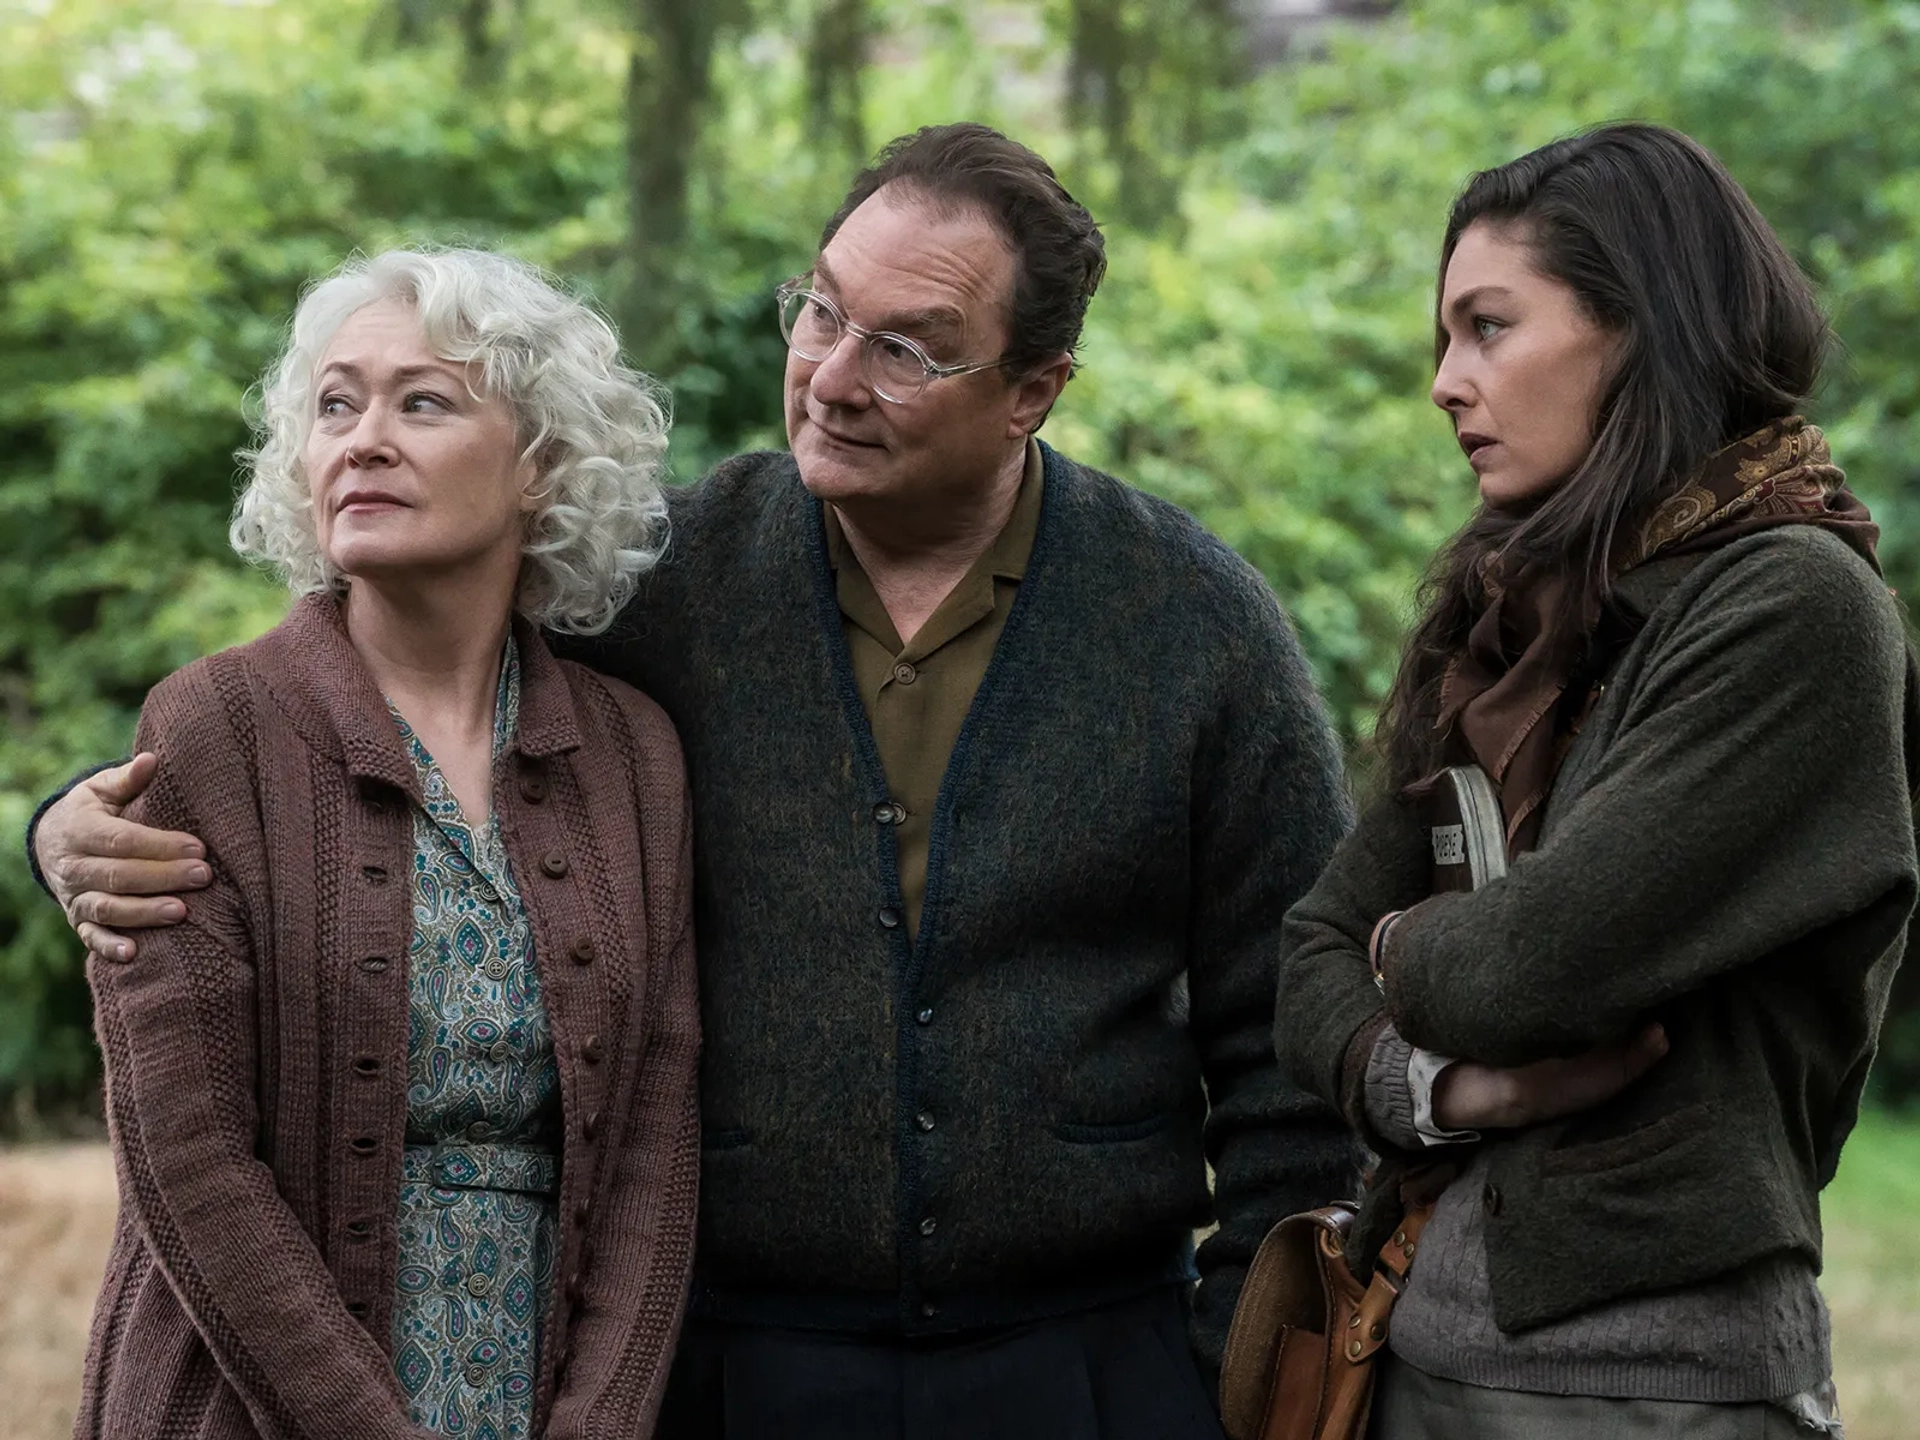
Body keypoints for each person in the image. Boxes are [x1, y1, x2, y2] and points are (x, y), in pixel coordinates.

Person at [33, 124, 1356, 1438]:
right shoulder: (672, 589)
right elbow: (378, 688)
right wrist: (70, 822)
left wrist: (1226, 1373)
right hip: (738, 1375)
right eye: (820, 311)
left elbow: (1291, 1042)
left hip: (1088, 1369)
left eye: (905, 346)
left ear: (1033, 388)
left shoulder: (1195, 625)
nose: (831, 376)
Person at [1274, 123, 1917, 1439]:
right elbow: (1305, 957)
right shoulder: (1506, 612)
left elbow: (1528, 968)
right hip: (1414, 1348)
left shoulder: (1792, 606)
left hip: (1656, 1387)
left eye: (1489, 328)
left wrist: (1398, 947)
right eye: (1440, 341)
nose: (1447, 383)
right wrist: (1453, 1091)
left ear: (1642, 328)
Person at [64, 248, 700, 1440]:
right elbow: (187, 1158)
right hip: (250, 1406)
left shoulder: (632, 755)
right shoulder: (210, 730)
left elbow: (656, 1145)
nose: (363, 438)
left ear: (543, 466)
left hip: (532, 1391)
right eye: (335, 405)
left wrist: (596, 1425)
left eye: (424, 402)